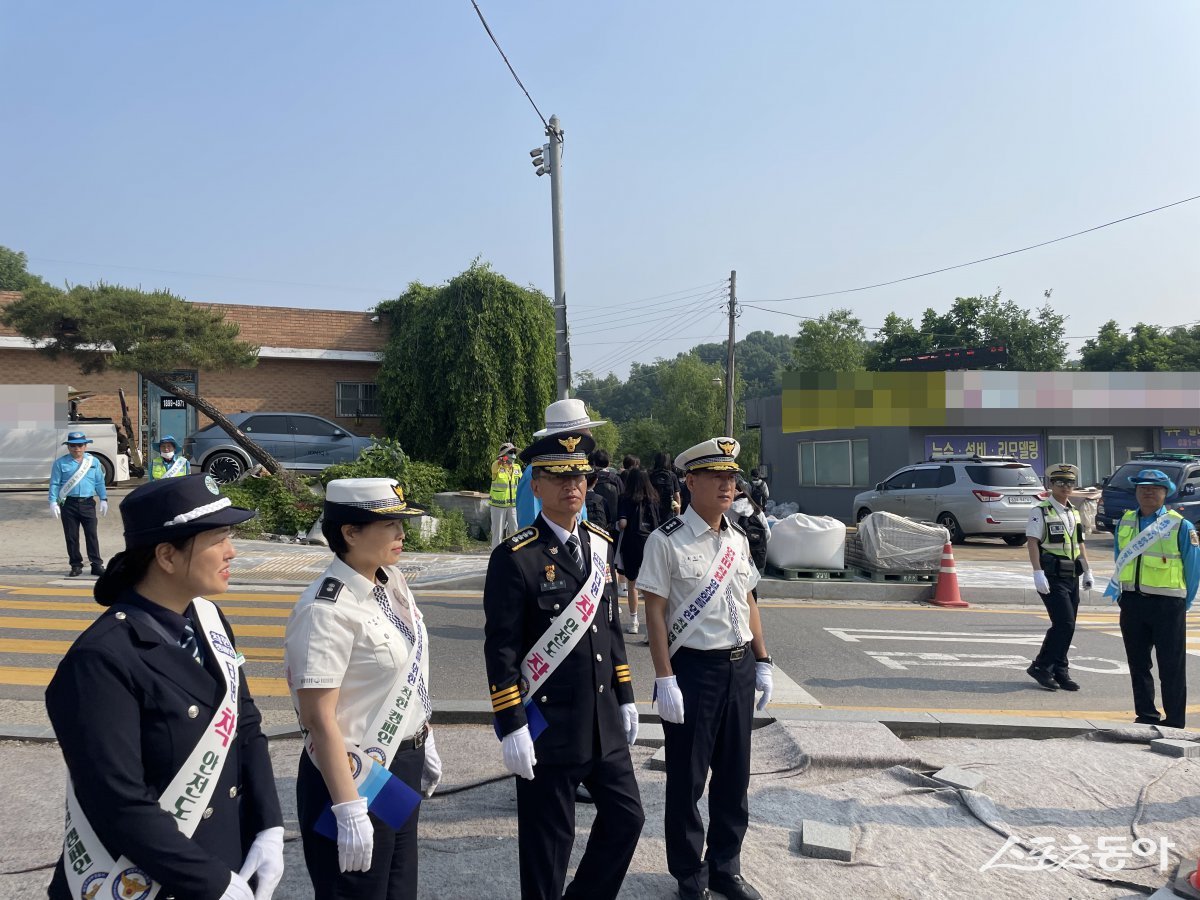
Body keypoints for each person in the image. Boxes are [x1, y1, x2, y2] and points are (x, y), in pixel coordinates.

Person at [45, 474, 284, 900]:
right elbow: (119, 801)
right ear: (167, 557)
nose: (232, 552)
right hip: (151, 879)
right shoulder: (101, 659)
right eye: (218, 539)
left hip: (222, 856)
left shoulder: (207, 620)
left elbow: (245, 725)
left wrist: (269, 824)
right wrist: (209, 882)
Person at [483, 431, 644, 900]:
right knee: (548, 846)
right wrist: (511, 723)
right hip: (548, 723)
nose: (571, 485)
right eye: (557, 476)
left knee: (627, 817)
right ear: (535, 486)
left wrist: (627, 695)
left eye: (579, 475)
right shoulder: (515, 558)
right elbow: (502, 649)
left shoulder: (599, 543)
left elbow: (610, 629)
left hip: (603, 718)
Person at [285, 478, 441, 900]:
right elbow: (318, 718)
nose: (400, 534)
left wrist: (423, 738)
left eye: (400, 523)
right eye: (388, 524)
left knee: (396, 888)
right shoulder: (324, 609)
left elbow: (406, 672)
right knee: (354, 890)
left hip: (397, 768)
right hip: (351, 777)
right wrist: (348, 808)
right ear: (350, 532)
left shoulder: (390, 583)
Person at [638, 437, 773, 900]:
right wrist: (664, 677)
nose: (727, 485)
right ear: (690, 481)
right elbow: (654, 612)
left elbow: (749, 600)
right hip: (692, 671)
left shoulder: (737, 538)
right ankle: (689, 876)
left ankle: (725, 867)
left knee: (734, 778)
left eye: (731, 477)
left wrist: (763, 659)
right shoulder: (666, 540)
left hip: (737, 671)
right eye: (716, 476)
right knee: (688, 781)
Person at [1107, 468, 1200, 729]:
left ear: (1166, 492)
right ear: (1136, 491)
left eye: (1155, 488)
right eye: (1143, 487)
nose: (1148, 491)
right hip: (1133, 602)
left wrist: (1185, 602)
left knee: (1172, 667)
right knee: (1138, 664)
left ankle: (1175, 722)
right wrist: (1121, 594)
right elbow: (1119, 558)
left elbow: (1193, 569)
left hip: (1168, 605)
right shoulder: (1126, 521)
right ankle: (1146, 715)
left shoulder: (1181, 525)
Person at [1025, 464, 1094, 691]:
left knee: (1069, 625)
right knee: (1064, 623)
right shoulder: (1041, 511)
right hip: (1051, 575)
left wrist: (1087, 570)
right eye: (1060, 483)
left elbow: (1079, 543)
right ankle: (1041, 666)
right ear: (1051, 485)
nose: (1066, 487)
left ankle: (1060, 669)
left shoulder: (1073, 512)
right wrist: (1037, 572)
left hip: (1071, 574)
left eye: (1070, 483)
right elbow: (1033, 542)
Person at [515, 398, 606, 529]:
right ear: (568, 438)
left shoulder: (579, 468)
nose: (590, 434)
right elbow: (529, 522)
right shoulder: (534, 472)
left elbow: (580, 517)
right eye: (585, 430)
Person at [49, 430, 109, 577]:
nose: (77, 449)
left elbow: (99, 482)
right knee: (71, 536)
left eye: (80, 445)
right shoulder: (60, 463)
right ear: (68, 447)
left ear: (85, 446)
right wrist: (52, 501)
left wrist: (103, 498)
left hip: (88, 503)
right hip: (68, 504)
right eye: (73, 446)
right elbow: (55, 483)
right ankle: (76, 565)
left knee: (91, 535)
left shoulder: (93, 461)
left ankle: (96, 564)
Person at [617, 467, 660, 635]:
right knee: (651, 586)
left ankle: (634, 620)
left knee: (632, 583)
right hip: (652, 542)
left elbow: (622, 524)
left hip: (632, 542)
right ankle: (651, 628)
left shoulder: (626, 498)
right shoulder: (654, 498)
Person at [731, 477, 770, 580]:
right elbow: (767, 534)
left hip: (732, 560)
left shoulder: (726, 510)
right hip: (754, 558)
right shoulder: (756, 509)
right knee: (751, 589)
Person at [489, 443, 521, 548]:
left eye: (514, 452)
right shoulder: (497, 466)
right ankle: (496, 556)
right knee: (497, 533)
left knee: (515, 531)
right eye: (510, 452)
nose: (513, 455)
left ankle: (515, 555)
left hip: (512, 505)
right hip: (498, 506)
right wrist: (501, 460)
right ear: (504, 454)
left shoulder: (517, 467)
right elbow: (495, 465)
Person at [650, 451, 682, 525]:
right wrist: (678, 512)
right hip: (669, 509)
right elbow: (677, 495)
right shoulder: (672, 475)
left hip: (653, 508)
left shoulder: (651, 475)